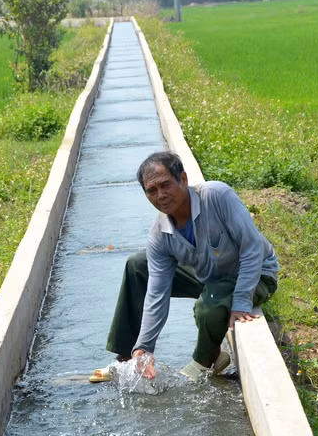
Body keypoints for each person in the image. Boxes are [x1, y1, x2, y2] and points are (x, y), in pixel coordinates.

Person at [96, 151, 279, 381]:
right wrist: (145, 346)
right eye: (151, 191)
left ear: (183, 179)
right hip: (209, 275)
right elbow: (156, 293)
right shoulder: (160, 234)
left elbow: (252, 247)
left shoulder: (216, 196)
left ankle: (207, 358)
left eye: (165, 185)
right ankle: (129, 358)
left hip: (256, 274)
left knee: (209, 306)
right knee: (137, 266)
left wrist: (242, 300)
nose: (160, 195)